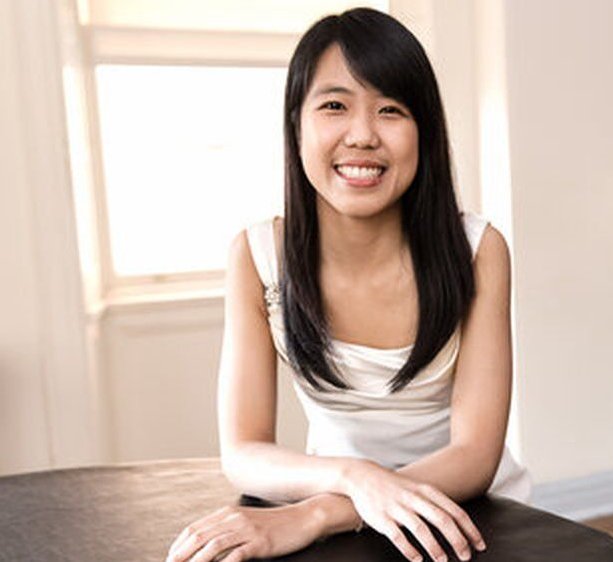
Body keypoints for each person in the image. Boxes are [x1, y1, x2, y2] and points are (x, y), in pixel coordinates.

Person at [165, 8, 529, 562]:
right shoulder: (258, 255)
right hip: (330, 493)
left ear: (424, 134)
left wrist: (321, 513)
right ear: (297, 124)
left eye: (390, 110)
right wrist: (356, 477)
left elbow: (476, 453)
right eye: (335, 105)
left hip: (467, 514)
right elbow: (242, 452)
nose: (362, 135)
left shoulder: (478, 250)